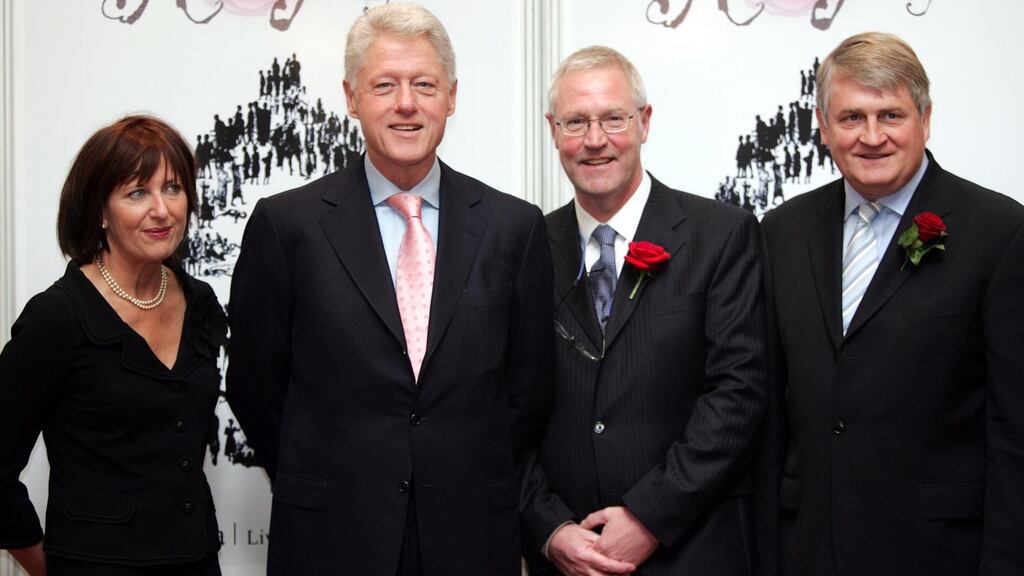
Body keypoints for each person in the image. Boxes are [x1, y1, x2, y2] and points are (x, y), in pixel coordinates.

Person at [225, 3, 553, 575]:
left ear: (451, 96)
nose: (407, 103)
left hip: (472, 535)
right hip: (331, 536)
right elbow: (256, 385)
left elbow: (527, 392)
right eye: (385, 85)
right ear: (351, 98)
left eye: (424, 84)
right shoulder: (287, 227)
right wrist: (330, 474)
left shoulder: (514, 228)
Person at [761, 32, 1024, 576]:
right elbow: (769, 412)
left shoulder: (999, 232)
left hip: (939, 553)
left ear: (925, 120)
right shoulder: (781, 231)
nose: (872, 137)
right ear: (823, 125)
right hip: (806, 549)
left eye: (891, 116)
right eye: (852, 117)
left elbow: (1014, 430)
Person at [519, 46, 768, 575]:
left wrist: (650, 516)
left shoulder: (721, 236)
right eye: (575, 121)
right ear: (552, 129)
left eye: (614, 118)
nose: (594, 140)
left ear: (644, 122)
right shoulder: (525, 248)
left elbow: (738, 391)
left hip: (693, 550)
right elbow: (500, 405)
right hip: (567, 559)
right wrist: (548, 528)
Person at [0, 115, 226, 575]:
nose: (161, 210)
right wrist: (46, 565)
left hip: (195, 562)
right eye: (137, 192)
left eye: (173, 188)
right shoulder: (57, 317)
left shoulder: (199, 301)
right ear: (100, 211)